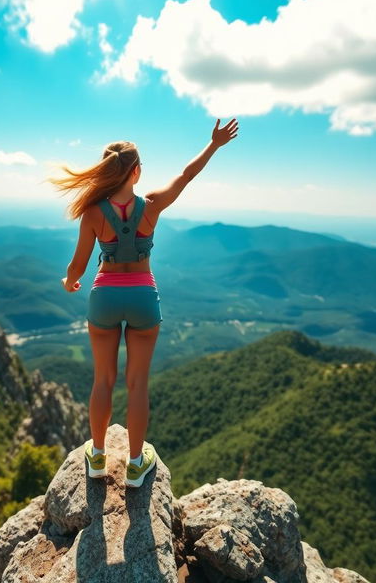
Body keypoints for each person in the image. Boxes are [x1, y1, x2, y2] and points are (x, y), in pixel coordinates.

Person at [48, 118, 239, 487]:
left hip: (103, 297)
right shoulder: (150, 206)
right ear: (135, 172)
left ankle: (98, 457)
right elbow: (185, 175)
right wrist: (213, 144)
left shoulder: (92, 212)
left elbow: (78, 265)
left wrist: (69, 282)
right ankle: (137, 463)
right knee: (138, 384)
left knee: (102, 380)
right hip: (143, 299)